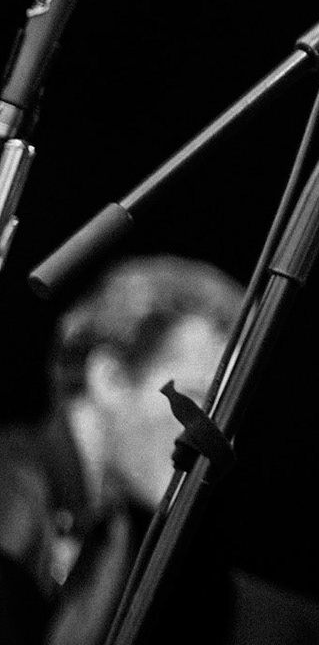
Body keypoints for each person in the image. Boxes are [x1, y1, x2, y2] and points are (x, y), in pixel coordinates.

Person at [0, 254, 243, 645]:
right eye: (197, 402)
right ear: (109, 378)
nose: (222, 442)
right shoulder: (10, 493)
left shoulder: (113, 529)